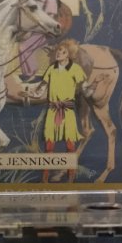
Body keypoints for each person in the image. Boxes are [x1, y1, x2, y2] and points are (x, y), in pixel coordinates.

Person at [38, 39, 87, 182]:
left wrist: (93, 87)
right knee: (49, 145)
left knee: (70, 145)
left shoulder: (75, 69)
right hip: (53, 111)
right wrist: (31, 93)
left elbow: (85, 88)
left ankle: (71, 177)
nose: (59, 53)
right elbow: (41, 89)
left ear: (69, 55)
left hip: (67, 111)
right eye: (58, 50)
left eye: (63, 52)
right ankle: (45, 178)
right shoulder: (51, 69)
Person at [18, 0, 61, 81]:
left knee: (23, 47)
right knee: (18, 44)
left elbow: (48, 22)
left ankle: (33, 72)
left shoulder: (51, 0)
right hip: (33, 29)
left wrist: (31, 30)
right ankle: (26, 73)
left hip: (44, 32)